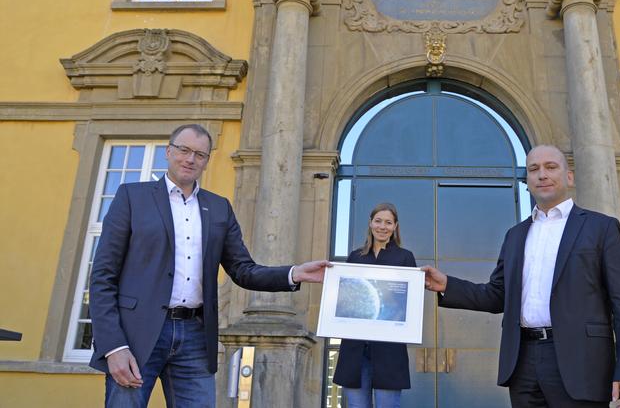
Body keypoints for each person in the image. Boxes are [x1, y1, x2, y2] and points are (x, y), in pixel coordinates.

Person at [89, 124, 330, 408]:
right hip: (136, 334)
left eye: (200, 154)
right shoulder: (132, 197)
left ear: (206, 161)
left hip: (194, 336)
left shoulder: (218, 208)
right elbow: (103, 276)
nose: (191, 159)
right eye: (184, 150)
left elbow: (243, 269)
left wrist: (293, 273)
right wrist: (113, 346)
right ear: (168, 151)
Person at [422, 145, 620, 408]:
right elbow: (497, 296)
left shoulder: (601, 227)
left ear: (569, 177)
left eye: (551, 167)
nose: (542, 174)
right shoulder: (515, 235)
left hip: (582, 364)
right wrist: (447, 285)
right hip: (523, 362)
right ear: (527, 181)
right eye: (533, 169)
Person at [333, 203, 417, 408]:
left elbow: (410, 302)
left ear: (395, 226)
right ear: (370, 223)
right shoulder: (355, 257)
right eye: (378, 221)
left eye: (388, 222)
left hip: (390, 350)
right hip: (355, 350)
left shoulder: (405, 257)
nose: (382, 226)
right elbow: (346, 298)